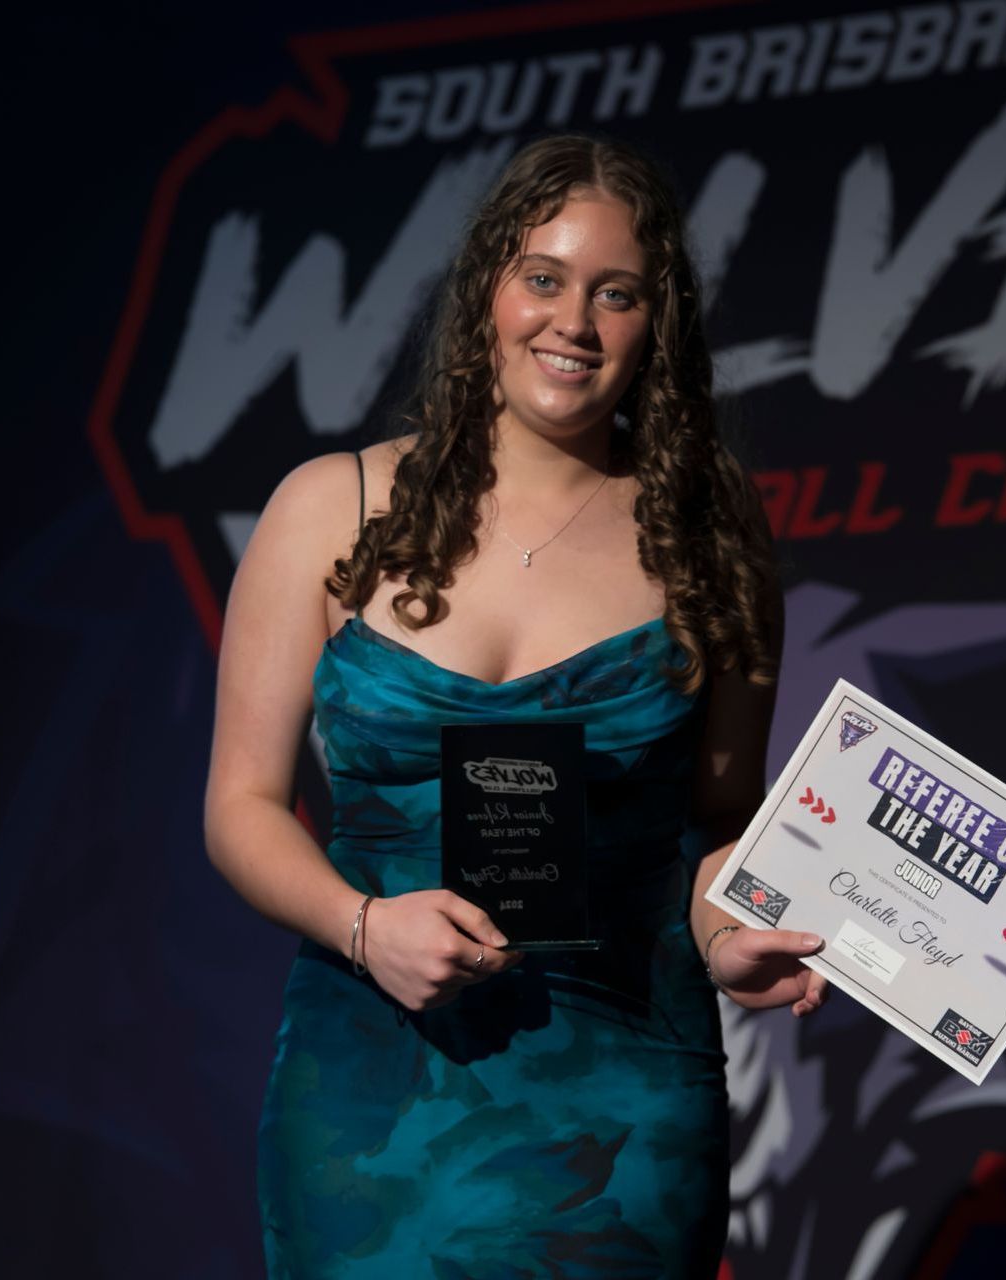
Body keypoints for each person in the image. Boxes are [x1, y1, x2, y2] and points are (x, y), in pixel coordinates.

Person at [205, 134, 829, 1279]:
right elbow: (240, 805)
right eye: (543, 277)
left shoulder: (710, 533)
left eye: (616, 293)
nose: (572, 322)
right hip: (369, 1090)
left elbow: (718, 821)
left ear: (657, 323)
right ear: (488, 287)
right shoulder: (329, 505)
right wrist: (362, 925)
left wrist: (727, 935)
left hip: (623, 1086)